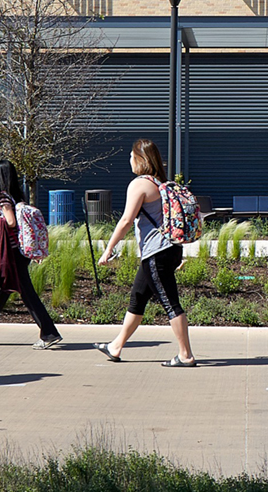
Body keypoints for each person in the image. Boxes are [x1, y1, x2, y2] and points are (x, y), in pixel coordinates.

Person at [95, 138, 196, 367]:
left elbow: (126, 220)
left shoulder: (139, 184)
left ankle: (185, 355)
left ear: (140, 159)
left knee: (171, 304)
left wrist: (109, 249)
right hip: (169, 250)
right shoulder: (162, 183)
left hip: (156, 253)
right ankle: (116, 346)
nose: (128, 160)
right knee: (138, 298)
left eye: (131, 156)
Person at [0, 160, 62, 349]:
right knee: (0, 292)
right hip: (18, 252)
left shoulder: (3, 198)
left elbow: (9, 222)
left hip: (12, 254)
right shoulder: (16, 195)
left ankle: (49, 333)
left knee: (27, 295)